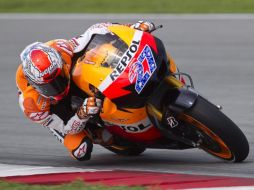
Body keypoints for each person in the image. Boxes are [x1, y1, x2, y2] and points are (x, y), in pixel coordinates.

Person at [16, 21, 156, 161]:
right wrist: (81, 114)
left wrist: (131, 27)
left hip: (66, 68)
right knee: (81, 150)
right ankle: (98, 133)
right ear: (36, 86)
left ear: (62, 65)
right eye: (49, 86)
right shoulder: (33, 104)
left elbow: (96, 30)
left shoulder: (62, 49)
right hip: (56, 112)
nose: (57, 87)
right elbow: (66, 128)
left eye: (59, 78)